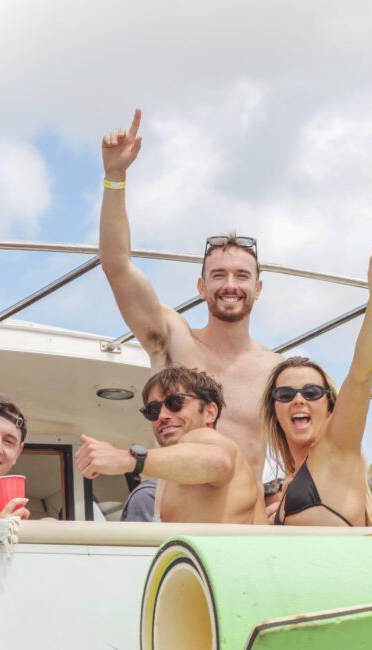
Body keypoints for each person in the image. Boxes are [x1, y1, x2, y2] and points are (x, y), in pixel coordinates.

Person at [99, 109, 282, 480]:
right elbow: (117, 266)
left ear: (257, 289)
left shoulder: (275, 371)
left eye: (241, 276)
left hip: (246, 527)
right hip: (178, 523)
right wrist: (115, 178)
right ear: (201, 287)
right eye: (218, 275)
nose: (230, 284)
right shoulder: (172, 339)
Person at [262, 227, 372, 526]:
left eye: (312, 393)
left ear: (332, 406)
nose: (299, 400)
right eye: (286, 395)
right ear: (274, 410)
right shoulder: (283, 487)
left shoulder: (337, 449)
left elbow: (361, 374)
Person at [76, 366, 267, 524]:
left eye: (175, 402)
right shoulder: (172, 480)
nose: (162, 416)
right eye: (152, 409)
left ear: (209, 412)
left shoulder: (208, 439)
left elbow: (219, 461)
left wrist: (127, 459)